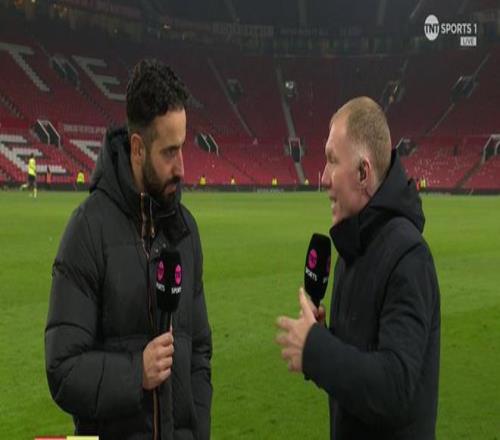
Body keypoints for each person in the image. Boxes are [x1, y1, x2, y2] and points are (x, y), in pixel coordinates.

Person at [45, 59, 212, 439]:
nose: (182, 168)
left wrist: (197, 431)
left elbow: (200, 352)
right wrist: (136, 372)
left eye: (183, 148)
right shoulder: (87, 230)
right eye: (169, 152)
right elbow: (62, 370)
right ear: (138, 149)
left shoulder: (185, 231)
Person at [276, 97, 440, 440]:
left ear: (363, 173)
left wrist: (318, 350)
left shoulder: (408, 256)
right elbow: (361, 370)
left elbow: (395, 387)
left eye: (332, 161)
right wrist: (326, 339)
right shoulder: (354, 249)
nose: (323, 178)